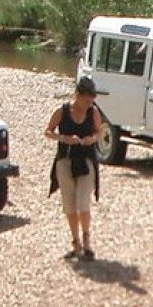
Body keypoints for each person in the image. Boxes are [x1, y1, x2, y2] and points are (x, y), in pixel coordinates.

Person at [46, 75, 101, 260]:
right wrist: (64, 138)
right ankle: (75, 242)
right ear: (77, 95)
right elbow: (48, 131)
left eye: (91, 101)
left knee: (83, 201)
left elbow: (99, 132)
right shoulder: (61, 111)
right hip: (65, 160)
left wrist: (90, 140)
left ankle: (86, 241)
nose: (88, 104)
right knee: (69, 203)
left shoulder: (93, 112)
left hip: (85, 160)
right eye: (86, 100)